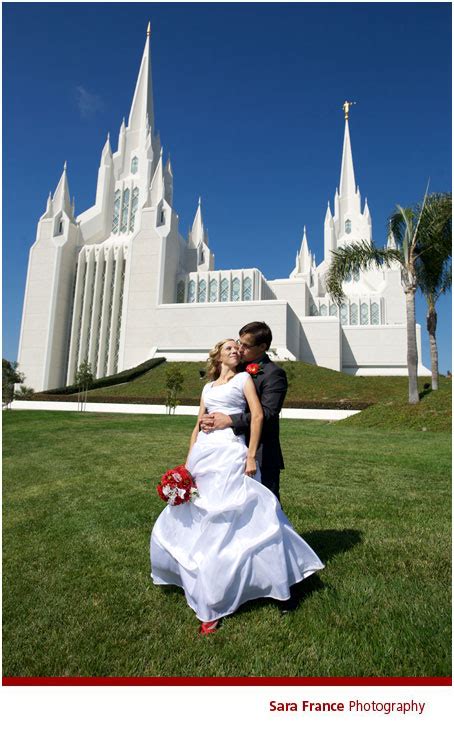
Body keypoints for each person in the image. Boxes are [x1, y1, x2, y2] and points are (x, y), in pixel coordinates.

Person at [150, 339, 324, 635]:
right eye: (228, 347)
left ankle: (250, 584)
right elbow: (196, 425)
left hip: (231, 452)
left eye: (237, 347)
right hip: (203, 456)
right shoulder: (207, 388)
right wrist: (186, 462)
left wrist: (251, 455)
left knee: (234, 515)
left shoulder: (245, 379)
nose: (234, 350)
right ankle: (204, 580)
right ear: (217, 355)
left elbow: (257, 416)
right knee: (199, 515)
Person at [200, 321, 287, 501]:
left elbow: (268, 413)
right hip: (228, 449)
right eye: (239, 342)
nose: (239, 348)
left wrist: (229, 419)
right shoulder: (235, 369)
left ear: (263, 347)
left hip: (262, 452)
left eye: (246, 345)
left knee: (265, 505)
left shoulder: (273, 374)